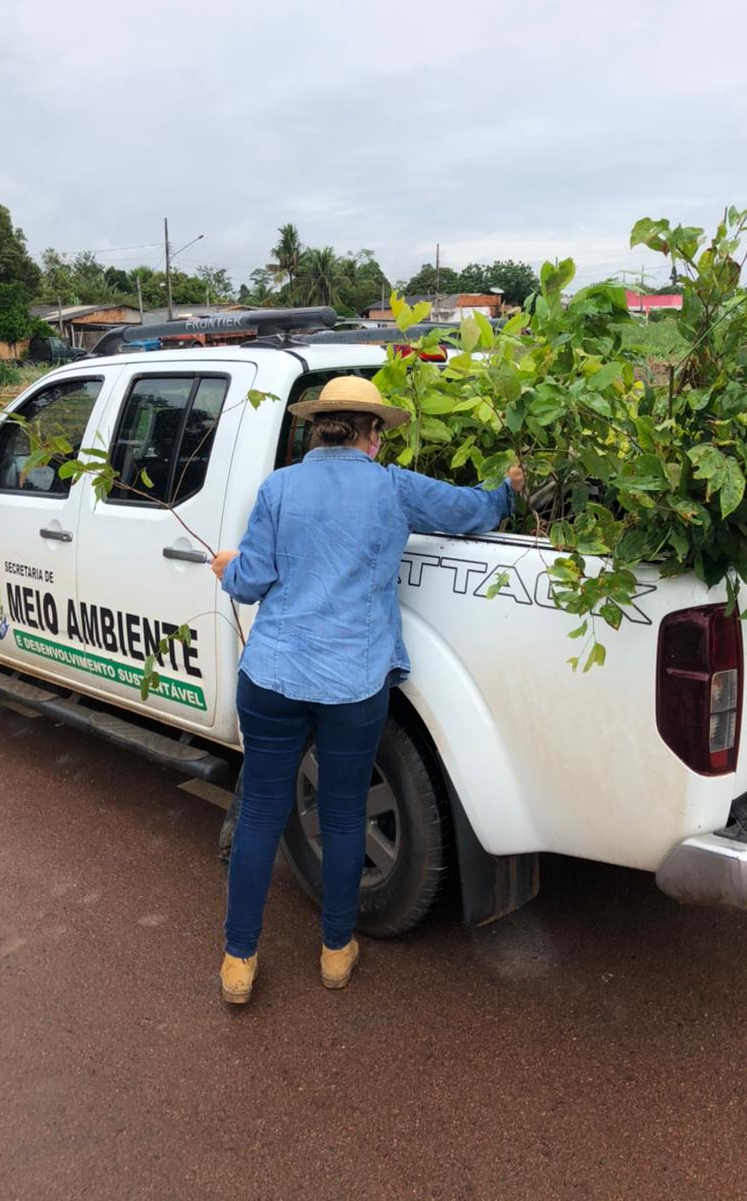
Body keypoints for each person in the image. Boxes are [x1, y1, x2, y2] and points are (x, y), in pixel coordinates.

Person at [211, 375, 525, 1004]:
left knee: (261, 817)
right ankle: (334, 951)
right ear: (372, 433)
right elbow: (472, 510)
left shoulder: (278, 487)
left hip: (271, 677)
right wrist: (508, 493)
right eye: (380, 431)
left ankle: (238, 961)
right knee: (344, 812)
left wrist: (227, 568)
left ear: (320, 429)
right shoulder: (392, 487)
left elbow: (250, 583)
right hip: (353, 683)